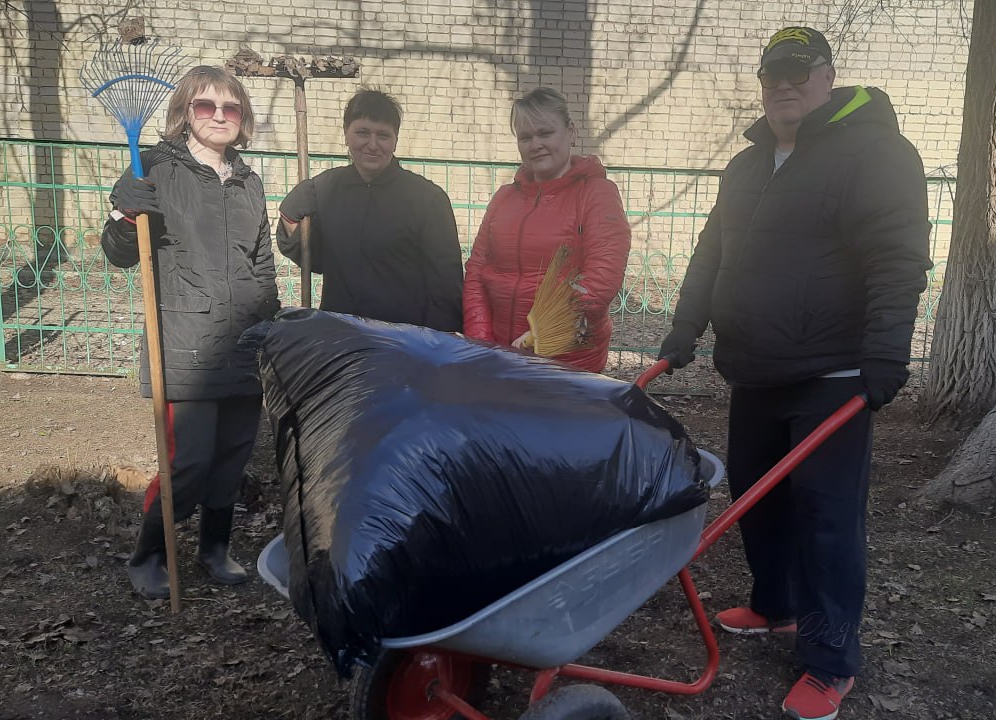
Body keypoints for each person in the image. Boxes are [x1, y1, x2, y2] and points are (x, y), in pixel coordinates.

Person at [658, 27, 932, 720]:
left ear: (828, 77)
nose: (782, 84)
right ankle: (775, 605)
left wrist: (887, 353)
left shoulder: (875, 153)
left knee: (825, 518)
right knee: (757, 496)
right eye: (771, 73)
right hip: (755, 367)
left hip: (832, 372)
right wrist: (686, 327)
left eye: (798, 71)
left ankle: (830, 658)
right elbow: (710, 253)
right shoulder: (747, 165)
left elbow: (897, 257)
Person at [102, 66, 281, 599]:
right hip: (185, 345)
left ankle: (214, 549)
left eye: (231, 108)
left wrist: (268, 324)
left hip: (244, 344)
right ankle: (149, 554)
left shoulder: (249, 182)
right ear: (185, 113)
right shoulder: (155, 168)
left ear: (243, 118)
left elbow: (262, 263)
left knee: (232, 457)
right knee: (190, 461)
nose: (219, 117)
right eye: (206, 106)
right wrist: (124, 215)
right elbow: (118, 254)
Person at [462, 87, 630, 372]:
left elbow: (601, 279)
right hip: (500, 354)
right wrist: (482, 341)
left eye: (545, 133)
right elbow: (477, 273)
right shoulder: (504, 198)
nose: (535, 144)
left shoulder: (596, 194)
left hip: (566, 360)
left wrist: (539, 334)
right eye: (525, 137)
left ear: (571, 132)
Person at [276, 89, 463, 332]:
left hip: (403, 339)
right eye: (362, 133)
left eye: (383, 135)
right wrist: (290, 212)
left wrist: (435, 344)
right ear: (346, 133)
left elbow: (446, 287)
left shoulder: (427, 199)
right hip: (340, 335)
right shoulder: (326, 188)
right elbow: (315, 258)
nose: (372, 145)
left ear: (395, 139)